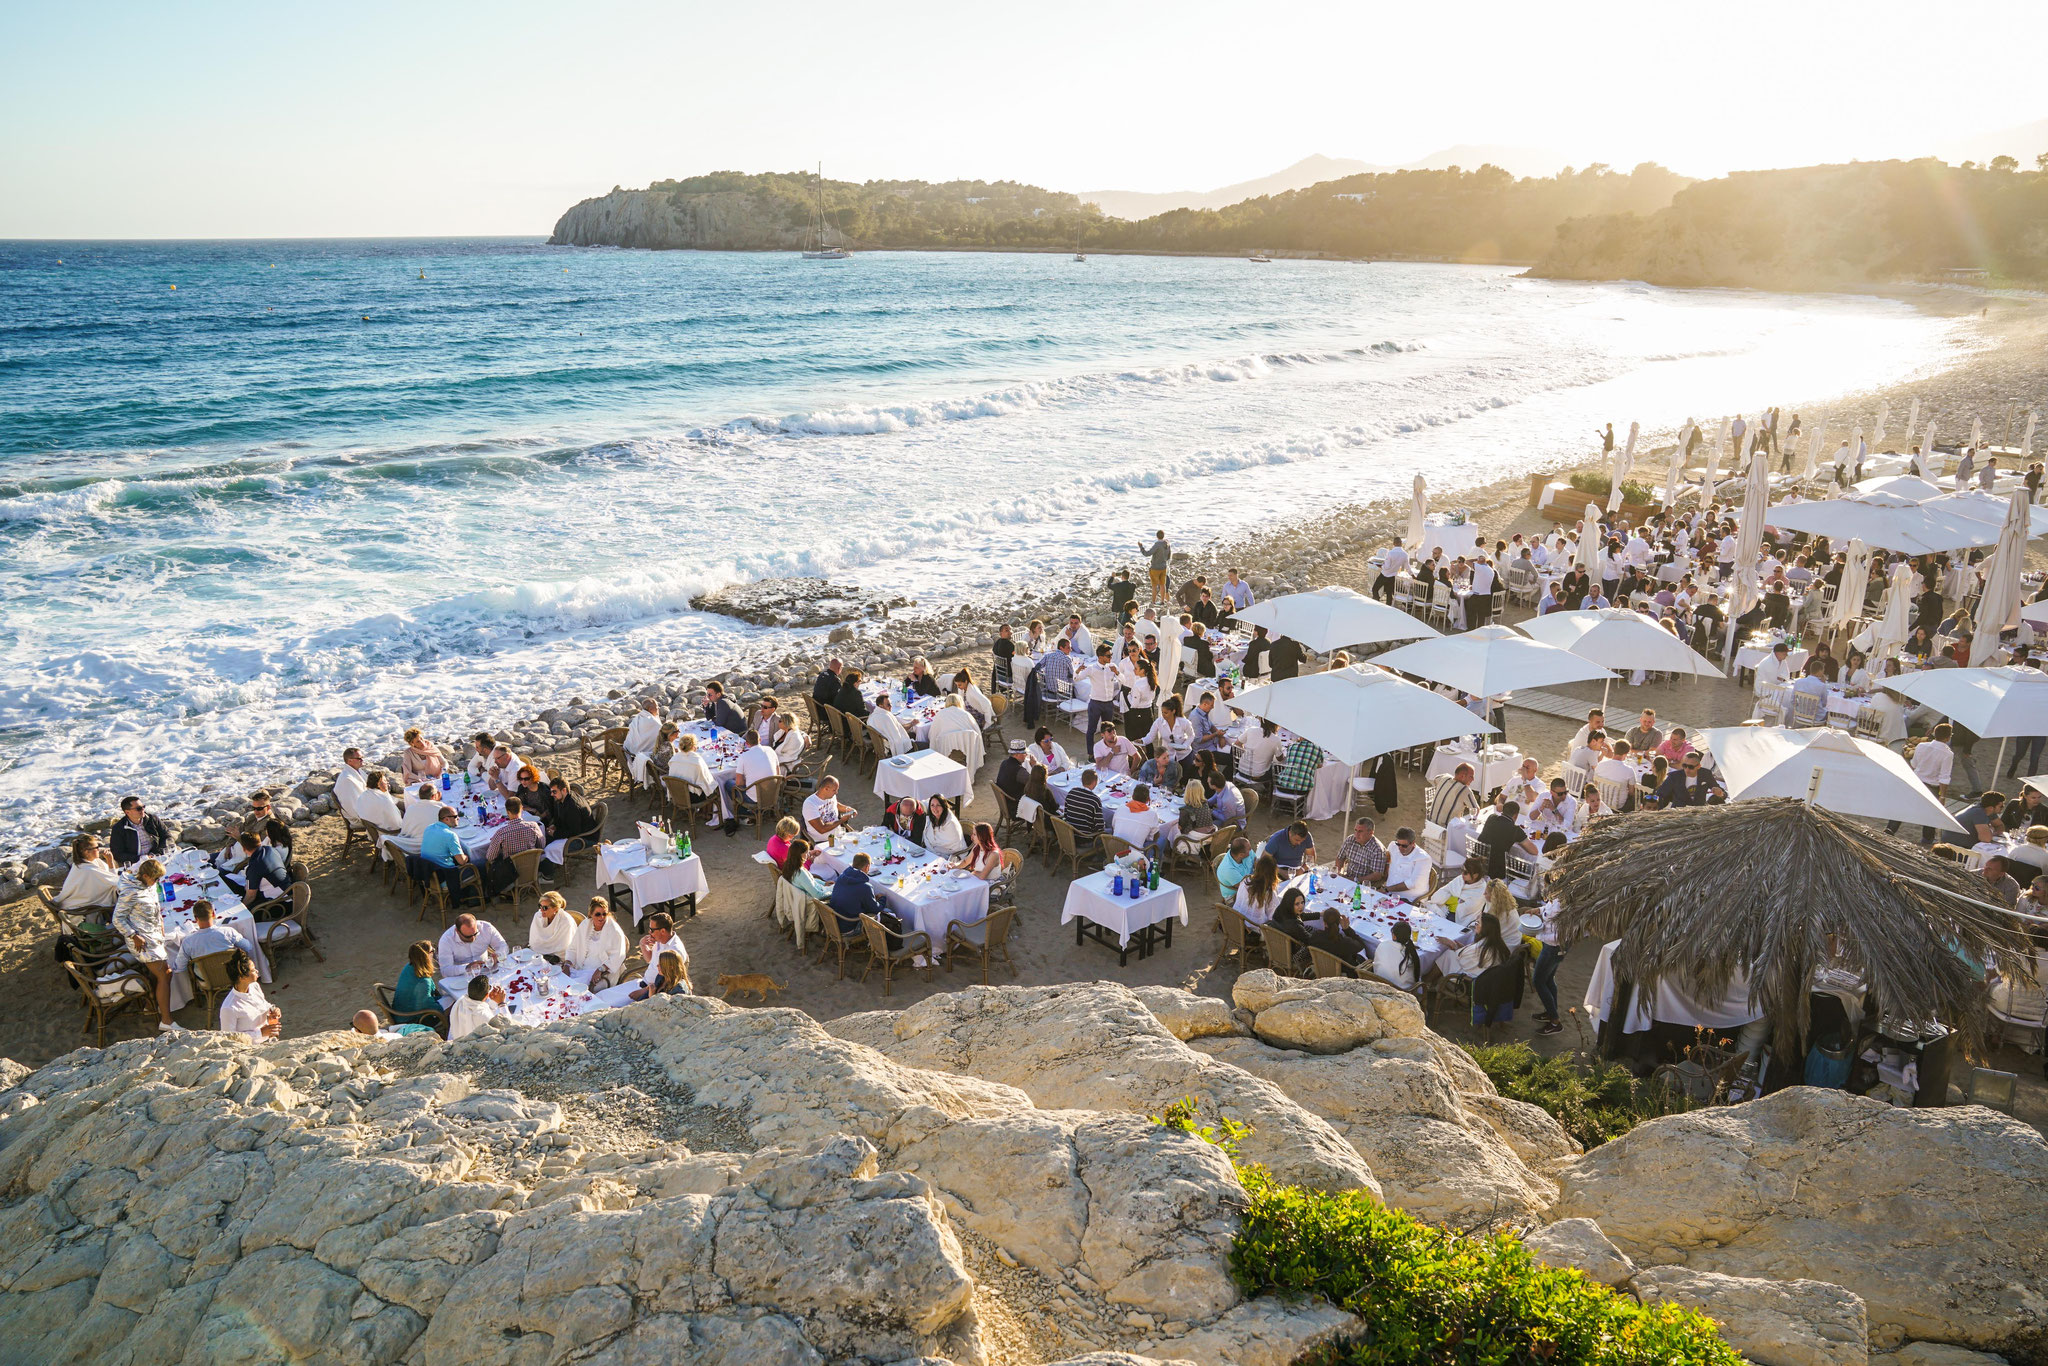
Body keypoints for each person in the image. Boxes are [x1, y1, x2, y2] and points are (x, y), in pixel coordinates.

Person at [114, 859, 180, 1032]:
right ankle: (166, 1020)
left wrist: (161, 924)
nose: (157, 883)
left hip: (154, 935)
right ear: (144, 876)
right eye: (155, 879)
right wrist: (133, 935)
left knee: (165, 974)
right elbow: (117, 919)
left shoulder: (148, 885)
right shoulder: (130, 892)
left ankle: (153, 1006)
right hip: (142, 941)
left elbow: (156, 905)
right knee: (165, 974)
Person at [218, 949, 280, 1044]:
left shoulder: (254, 986)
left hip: (269, 1039)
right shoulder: (229, 1008)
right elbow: (229, 1038)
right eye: (253, 970)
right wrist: (260, 1033)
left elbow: (263, 1004)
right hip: (250, 1047)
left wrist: (272, 1009)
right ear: (242, 977)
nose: (257, 971)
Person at [720, 735, 780, 833]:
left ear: (747, 744)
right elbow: (778, 772)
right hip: (773, 792)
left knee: (728, 784)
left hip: (755, 798)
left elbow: (739, 783)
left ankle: (745, 814)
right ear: (760, 740)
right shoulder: (770, 750)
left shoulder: (744, 756)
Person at [565, 898, 628, 987]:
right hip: (581, 968)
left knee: (577, 988)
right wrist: (567, 965)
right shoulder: (585, 925)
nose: (601, 917)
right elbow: (573, 948)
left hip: (604, 972)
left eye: (604, 914)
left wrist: (600, 970)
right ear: (591, 914)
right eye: (598, 914)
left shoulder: (614, 930)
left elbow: (619, 955)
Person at [543, 776, 601, 871]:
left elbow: (574, 832)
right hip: (575, 832)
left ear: (564, 790)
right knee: (544, 838)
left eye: (554, 792)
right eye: (551, 791)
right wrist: (555, 825)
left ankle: (548, 873)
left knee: (549, 848)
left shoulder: (572, 807)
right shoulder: (563, 798)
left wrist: (555, 833)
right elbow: (560, 817)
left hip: (585, 839)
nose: (551, 794)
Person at [55, 834, 120, 912]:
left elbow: (108, 878)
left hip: (78, 900)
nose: (99, 850)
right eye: (96, 848)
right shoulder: (89, 870)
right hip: (85, 908)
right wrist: (110, 861)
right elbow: (115, 882)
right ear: (87, 852)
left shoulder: (80, 864)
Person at [180, 899, 257, 964]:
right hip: (232, 974)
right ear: (213, 914)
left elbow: (180, 967)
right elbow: (248, 947)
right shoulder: (228, 932)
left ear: (196, 918)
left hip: (206, 979)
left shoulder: (188, 941)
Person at [437, 912, 508, 980]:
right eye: (468, 937)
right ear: (457, 931)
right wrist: (467, 967)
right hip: (461, 976)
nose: (473, 938)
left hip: (486, 970)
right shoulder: (446, 940)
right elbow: (445, 971)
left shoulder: (486, 928)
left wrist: (498, 956)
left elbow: (503, 945)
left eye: (475, 934)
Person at [1478, 801, 1537, 879]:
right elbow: (1534, 851)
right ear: (1516, 816)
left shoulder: (1491, 818)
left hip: (1479, 862)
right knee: (1521, 869)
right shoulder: (1515, 830)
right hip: (1495, 870)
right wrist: (1519, 841)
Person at [110, 795, 171, 867]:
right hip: (137, 863)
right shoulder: (119, 828)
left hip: (157, 856)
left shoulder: (152, 819)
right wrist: (140, 859)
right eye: (138, 808)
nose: (142, 810)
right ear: (127, 812)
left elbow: (167, 836)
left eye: (143, 807)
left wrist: (155, 854)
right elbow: (117, 854)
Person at [447, 975, 509, 1041]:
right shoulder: (483, 1016)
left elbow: (487, 1008)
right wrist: (502, 1004)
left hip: (456, 1038)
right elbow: (506, 1027)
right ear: (487, 995)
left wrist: (493, 1000)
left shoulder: (460, 1001)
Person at [1654, 752, 1723, 808]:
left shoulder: (1705, 774)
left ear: (1699, 766)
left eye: (1691, 767)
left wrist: (1719, 792)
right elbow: (1660, 795)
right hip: (1679, 813)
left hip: (1699, 812)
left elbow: (1721, 791)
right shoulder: (1674, 776)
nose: (1687, 769)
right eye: (1684, 766)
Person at [391, 940, 438, 1018]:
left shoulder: (410, 966)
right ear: (426, 956)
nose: (434, 952)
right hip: (412, 1018)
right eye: (432, 951)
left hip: (401, 1011)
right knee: (454, 1007)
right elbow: (425, 1006)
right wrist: (443, 1009)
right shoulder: (423, 982)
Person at [1372, 920, 1424, 991]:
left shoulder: (1383, 945)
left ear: (1394, 936)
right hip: (1402, 991)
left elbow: (1376, 966)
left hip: (1380, 986)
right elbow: (1414, 977)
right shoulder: (1410, 954)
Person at [802, 774, 856, 841]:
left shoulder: (831, 796)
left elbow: (836, 804)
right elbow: (822, 829)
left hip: (839, 835)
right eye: (834, 790)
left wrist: (848, 809)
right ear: (826, 788)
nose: (836, 792)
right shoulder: (810, 804)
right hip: (824, 842)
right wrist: (841, 820)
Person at [1382, 828, 1432, 899]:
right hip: (1388, 893)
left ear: (1413, 843)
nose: (1400, 848)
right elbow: (1387, 861)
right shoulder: (1393, 846)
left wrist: (1387, 889)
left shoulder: (1423, 858)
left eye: (1404, 846)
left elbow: (1411, 884)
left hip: (1409, 899)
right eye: (1398, 844)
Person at [527, 891, 577, 962]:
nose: (541, 910)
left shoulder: (566, 921)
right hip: (538, 955)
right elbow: (534, 941)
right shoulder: (538, 916)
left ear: (555, 908)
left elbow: (563, 949)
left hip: (558, 959)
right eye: (540, 906)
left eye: (545, 908)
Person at [1425, 762, 1479, 828]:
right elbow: (1475, 810)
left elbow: (1435, 780)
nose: (1473, 779)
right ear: (1462, 776)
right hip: (1447, 830)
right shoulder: (1464, 790)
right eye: (1471, 776)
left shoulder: (1444, 777)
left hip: (1430, 824)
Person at [1234, 851, 1282, 925]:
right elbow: (1274, 915)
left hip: (1238, 918)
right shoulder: (1268, 893)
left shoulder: (1246, 881)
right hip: (1255, 926)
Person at [1061, 768, 1106, 842]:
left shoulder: (1072, 792)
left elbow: (1066, 814)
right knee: (1110, 830)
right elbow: (1100, 828)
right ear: (1094, 782)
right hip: (1085, 838)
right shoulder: (1095, 800)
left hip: (1069, 834)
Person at [1238, 719, 1284, 783]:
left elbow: (1237, 744)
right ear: (1276, 725)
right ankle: (1268, 790)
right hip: (1257, 776)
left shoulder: (1251, 730)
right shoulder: (1276, 739)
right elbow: (1280, 759)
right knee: (1278, 768)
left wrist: (1247, 754)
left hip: (1241, 770)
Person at [1216, 836, 1256, 902]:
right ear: (1241, 855)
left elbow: (1255, 860)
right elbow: (1244, 888)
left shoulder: (1246, 853)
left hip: (1250, 882)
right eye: (1249, 849)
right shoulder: (1228, 869)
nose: (1251, 850)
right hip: (1235, 895)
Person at [1142, 530, 1172, 604]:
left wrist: (1141, 547)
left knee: (1154, 585)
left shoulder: (1157, 545)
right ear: (1163, 536)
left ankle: (1153, 601)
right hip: (1164, 567)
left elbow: (1147, 553)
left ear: (1157, 536)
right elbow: (1169, 556)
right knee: (1162, 585)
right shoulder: (1167, 544)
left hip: (1155, 567)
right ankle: (1162, 601)